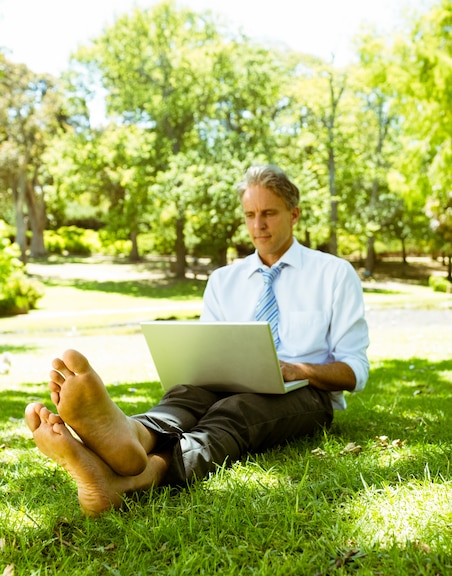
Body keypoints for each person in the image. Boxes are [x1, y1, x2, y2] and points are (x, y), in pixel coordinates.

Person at [25, 164, 369, 517]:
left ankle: (136, 479)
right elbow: (209, 353)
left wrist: (297, 369)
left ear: (294, 215)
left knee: (234, 413)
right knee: (185, 394)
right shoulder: (224, 280)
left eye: (268, 213)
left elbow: (355, 371)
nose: (257, 225)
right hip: (228, 383)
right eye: (250, 215)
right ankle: (133, 433)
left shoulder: (334, 274)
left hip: (307, 396)